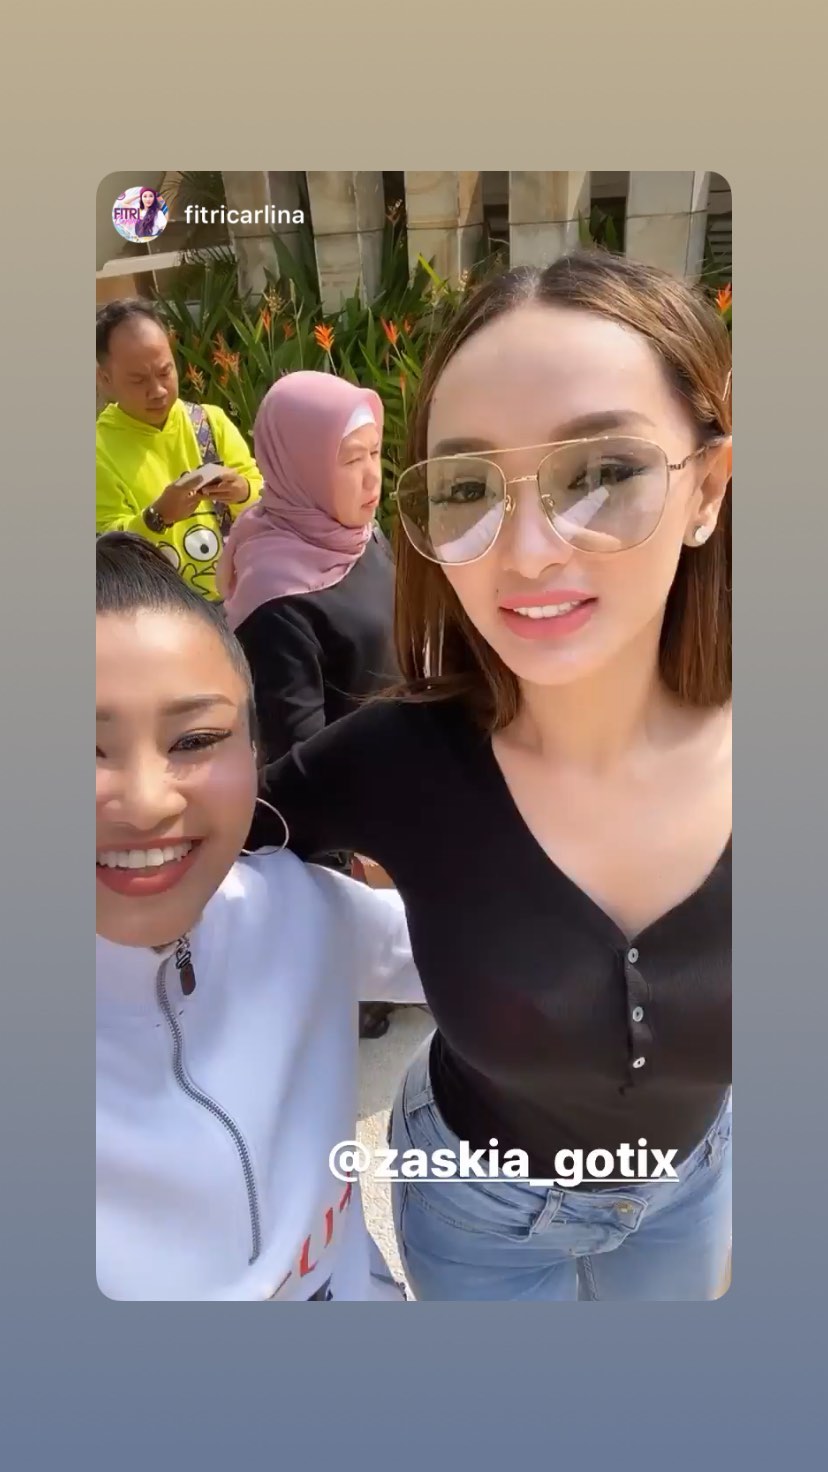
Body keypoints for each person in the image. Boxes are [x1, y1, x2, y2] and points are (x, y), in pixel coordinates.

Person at [247, 251, 733, 1301]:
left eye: (601, 473)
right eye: (467, 487)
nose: (527, 550)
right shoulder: (396, 757)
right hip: (477, 1208)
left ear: (706, 488)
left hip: (692, 1191)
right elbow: (191, 842)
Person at [96, 531, 424, 1301]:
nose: (147, 803)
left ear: (255, 750)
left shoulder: (298, 907)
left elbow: (493, 951)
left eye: (196, 739)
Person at [218, 370, 401, 1039]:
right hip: (344, 821)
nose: (371, 476)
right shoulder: (278, 596)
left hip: (399, 764)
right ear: (301, 466)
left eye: (375, 453)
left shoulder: (355, 534)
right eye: (350, 460)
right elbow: (299, 763)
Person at [96, 299, 263, 602]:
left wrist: (242, 490)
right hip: (160, 614)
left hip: (238, 600)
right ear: (104, 379)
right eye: (138, 380)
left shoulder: (209, 423)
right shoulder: (97, 451)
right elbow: (106, 553)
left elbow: (264, 498)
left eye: (165, 372)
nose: (158, 391)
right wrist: (156, 517)